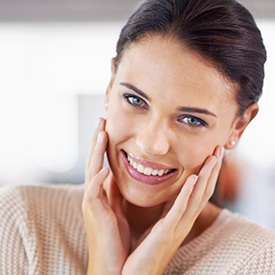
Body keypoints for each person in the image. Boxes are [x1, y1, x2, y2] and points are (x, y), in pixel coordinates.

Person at [0, 0, 274, 274]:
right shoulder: (20, 222)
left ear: (239, 126)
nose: (151, 144)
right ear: (110, 86)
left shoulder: (259, 261)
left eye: (191, 120)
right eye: (135, 99)